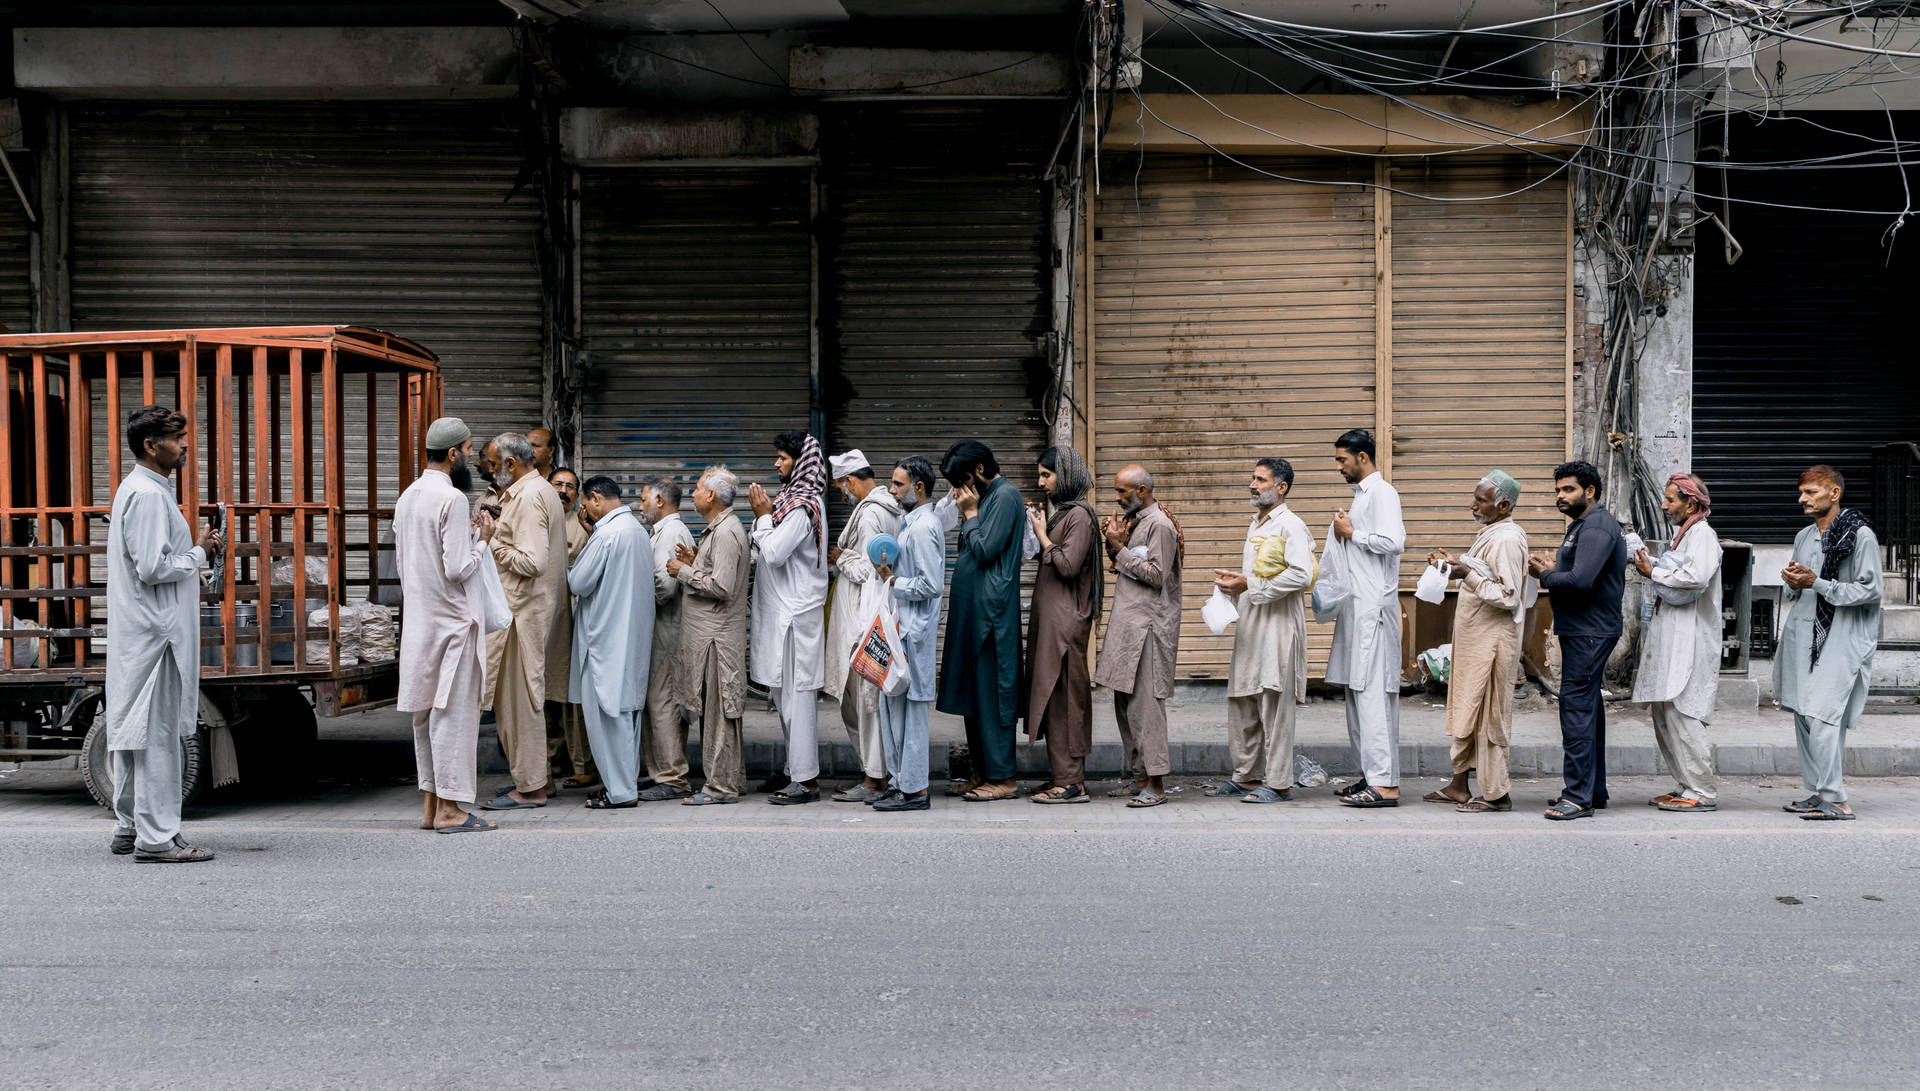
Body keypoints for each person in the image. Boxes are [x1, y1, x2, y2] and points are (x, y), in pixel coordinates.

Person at [103, 404, 226, 862]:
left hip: (142, 634)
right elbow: (155, 568)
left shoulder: (136, 489)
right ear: (152, 446)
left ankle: (129, 825)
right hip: (156, 637)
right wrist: (199, 552)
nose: (185, 446)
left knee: (136, 733)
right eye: (177, 438)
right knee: (156, 738)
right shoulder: (150, 495)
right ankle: (156, 840)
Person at [393, 417, 498, 836]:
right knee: (452, 716)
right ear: (453, 454)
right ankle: (452, 812)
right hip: (452, 625)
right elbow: (457, 568)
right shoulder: (451, 499)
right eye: (470, 450)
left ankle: (431, 806)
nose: (472, 457)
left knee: (425, 718)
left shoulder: (407, 496)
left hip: (420, 622)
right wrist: (484, 539)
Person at [1776, 465, 1882, 821]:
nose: (1802, 499)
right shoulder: (1805, 536)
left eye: (1811, 492)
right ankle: (1820, 791)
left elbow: (1870, 590)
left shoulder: (1860, 535)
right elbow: (1802, 585)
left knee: (1823, 714)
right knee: (1804, 714)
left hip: (1843, 637)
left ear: (1834, 493)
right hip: (1805, 633)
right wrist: (1793, 582)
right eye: (1802, 492)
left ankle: (1837, 799)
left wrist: (1817, 583)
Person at [1209, 457, 1315, 805]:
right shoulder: (1256, 523)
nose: (1252, 485)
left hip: (1279, 626)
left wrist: (1249, 584)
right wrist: (1236, 585)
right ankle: (1246, 776)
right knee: (1244, 698)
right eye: (1252, 479)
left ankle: (1279, 783)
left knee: (1273, 703)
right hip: (1251, 623)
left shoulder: (1291, 526)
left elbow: (1300, 574)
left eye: (1261, 480)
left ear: (1281, 487)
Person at [1528, 459, 1629, 821]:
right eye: (1557, 490)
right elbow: (1577, 573)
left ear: (1590, 492)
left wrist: (1545, 575)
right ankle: (1593, 790)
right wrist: (1554, 570)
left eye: (1567, 489)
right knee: (1587, 709)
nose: (1560, 496)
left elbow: (1581, 581)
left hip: (1590, 630)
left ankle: (1578, 797)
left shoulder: (1598, 526)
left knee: (1576, 711)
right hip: (1581, 628)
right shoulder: (1582, 526)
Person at [1423, 472, 1530, 814]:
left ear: (1503, 505)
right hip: (1475, 640)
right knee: (1468, 709)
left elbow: (1508, 596)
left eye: (1481, 500)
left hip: (1493, 644)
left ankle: (1497, 794)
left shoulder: (1508, 539)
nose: (1474, 505)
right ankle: (1458, 786)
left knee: (1489, 716)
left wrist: (1465, 573)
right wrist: (1455, 565)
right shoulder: (1491, 534)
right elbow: (1484, 573)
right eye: (1475, 497)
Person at [480, 432, 568, 811]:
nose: (487, 468)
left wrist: (492, 540)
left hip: (522, 614)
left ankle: (530, 788)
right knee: (522, 701)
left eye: (491, 463)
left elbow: (532, 563)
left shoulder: (531, 496)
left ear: (511, 464)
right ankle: (540, 780)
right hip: (522, 612)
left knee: (519, 704)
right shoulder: (527, 492)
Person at [937, 440, 1026, 802]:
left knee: (993, 696)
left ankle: (1003, 777)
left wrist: (971, 515)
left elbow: (987, 549)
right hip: (974, 614)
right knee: (974, 697)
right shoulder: (986, 498)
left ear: (976, 472)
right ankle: (982, 770)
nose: (956, 492)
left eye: (958, 481)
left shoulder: (1005, 497)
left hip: (992, 617)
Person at [1324, 428, 1407, 809]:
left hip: (1374, 610)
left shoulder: (1382, 493)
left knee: (1373, 696)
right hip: (1357, 609)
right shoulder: (1361, 498)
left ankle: (1385, 785)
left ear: (1362, 457)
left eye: (1342, 459)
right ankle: (1370, 776)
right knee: (1357, 695)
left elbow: (1393, 541)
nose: (1338, 466)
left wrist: (1352, 532)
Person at [1631, 473, 1723, 813]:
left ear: (1691, 503)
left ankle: (1702, 791)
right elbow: (1677, 571)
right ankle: (1685, 785)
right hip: (1673, 638)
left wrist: (1652, 573)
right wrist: (1651, 565)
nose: (1664, 505)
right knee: (1666, 713)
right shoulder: (1684, 536)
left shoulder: (1702, 535)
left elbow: (1695, 578)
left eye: (1671, 500)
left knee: (1684, 714)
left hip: (1692, 640)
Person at [749, 430, 831, 805]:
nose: (776, 463)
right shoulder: (788, 502)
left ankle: (807, 780)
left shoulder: (801, 506)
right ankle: (792, 770)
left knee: (798, 700)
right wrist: (765, 519)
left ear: (800, 462)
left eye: (782, 457)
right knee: (785, 700)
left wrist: (763, 517)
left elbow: (775, 552)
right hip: (784, 616)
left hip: (796, 617)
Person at [1093, 465, 1182, 808]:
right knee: (1125, 704)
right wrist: (1116, 543)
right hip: (1129, 625)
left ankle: (1156, 784)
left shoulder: (1159, 525)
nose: (1117, 498)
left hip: (1148, 628)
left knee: (1146, 706)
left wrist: (1119, 547)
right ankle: (1139, 777)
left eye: (1122, 492)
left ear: (1142, 491)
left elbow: (1157, 575)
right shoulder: (1139, 522)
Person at [821, 450, 904, 803]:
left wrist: (842, 559)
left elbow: (871, 572)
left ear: (850, 480)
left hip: (862, 617)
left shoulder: (870, 513)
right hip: (868, 615)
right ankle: (875, 772)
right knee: (863, 701)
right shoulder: (886, 507)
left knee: (862, 702)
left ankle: (874, 777)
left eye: (843, 486)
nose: (843, 493)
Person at [567, 475, 655, 809]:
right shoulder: (636, 531)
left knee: (607, 719)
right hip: (630, 638)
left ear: (594, 498)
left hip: (604, 640)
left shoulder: (607, 534)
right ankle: (624, 784)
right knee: (626, 718)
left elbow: (579, 582)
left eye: (585, 504)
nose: (584, 511)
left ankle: (619, 792)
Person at [868, 456, 948, 812]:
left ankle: (915, 790)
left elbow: (931, 585)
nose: (892, 489)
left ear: (919, 487)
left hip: (914, 633)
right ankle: (900, 782)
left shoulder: (923, 527)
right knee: (892, 709)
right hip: (900, 631)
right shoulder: (909, 523)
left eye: (898, 484)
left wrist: (893, 581)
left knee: (912, 712)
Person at [671, 466, 753, 806]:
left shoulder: (727, 532)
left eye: (697, 489)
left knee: (721, 714)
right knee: (717, 714)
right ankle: (731, 781)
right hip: (710, 638)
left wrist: (684, 571)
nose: (691, 494)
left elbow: (722, 587)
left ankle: (720, 788)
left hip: (717, 641)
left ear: (712, 496)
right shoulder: (718, 530)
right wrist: (696, 562)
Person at [1026, 446, 1103, 805]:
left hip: (1066, 625)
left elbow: (1069, 566)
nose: (1041, 482)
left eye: (1047, 475)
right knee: (1052, 698)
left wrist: (1043, 535)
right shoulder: (1066, 515)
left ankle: (1072, 782)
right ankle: (1062, 775)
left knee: (1066, 701)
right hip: (1054, 623)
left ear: (1066, 476)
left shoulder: (1081, 517)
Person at [637, 477, 697, 801]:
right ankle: (660, 771)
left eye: (644, 498)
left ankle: (673, 777)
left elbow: (666, 587)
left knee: (664, 704)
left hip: (669, 633)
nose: (640, 505)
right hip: (660, 632)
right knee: (655, 703)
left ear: (660, 501)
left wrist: (639, 597)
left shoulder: (672, 532)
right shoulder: (662, 532)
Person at [545, 468, 598, 791]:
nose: (563, 490)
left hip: (573, 621)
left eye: (570, 486)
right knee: (545, 697)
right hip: (543, 621)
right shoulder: (540, 518)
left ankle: (583, 764)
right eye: (558, 484)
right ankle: (551, 758)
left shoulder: (582, 526)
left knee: (571, 699)